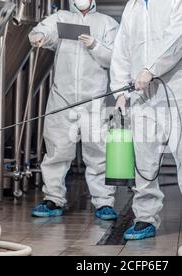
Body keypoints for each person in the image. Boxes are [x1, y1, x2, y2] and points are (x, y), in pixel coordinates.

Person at [110, 0, 182, 240]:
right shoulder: (134, 6)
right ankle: (145, 218)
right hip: (140, 90)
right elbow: (122, 49)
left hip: (177, 84)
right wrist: (120, 90)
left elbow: (179, 36)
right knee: (144, 157)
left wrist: (151, 68)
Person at [28, 0, 120, 221]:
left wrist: (94, 45)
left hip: (94, 99)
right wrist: (38, 36)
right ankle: (53, 199)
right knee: (57, 150)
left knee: (98, 153)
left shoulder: (107, 24)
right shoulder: (61, 18)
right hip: (63, 98)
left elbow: (114, 58)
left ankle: (104, 202)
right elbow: (42, 30)